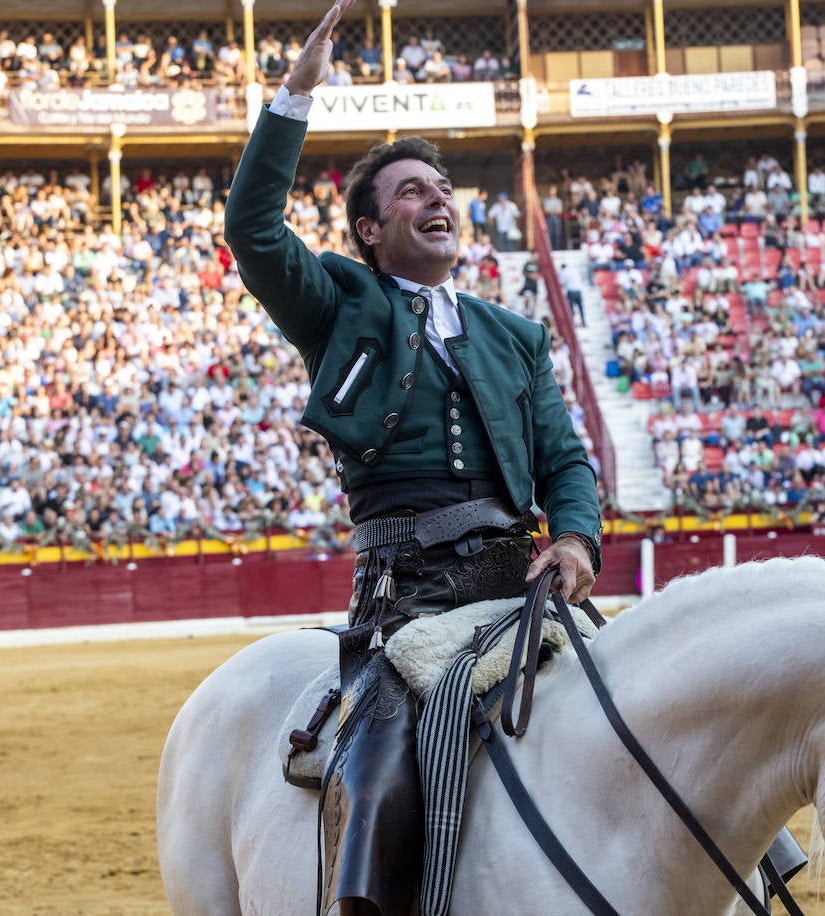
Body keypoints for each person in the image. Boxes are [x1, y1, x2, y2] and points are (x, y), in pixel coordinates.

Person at [222, 4, 602, 913]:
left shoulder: (514, 335)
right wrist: (294, 97)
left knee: (660, 709)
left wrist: (578, 541)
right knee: (386, 758)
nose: (435, 196)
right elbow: (252, 232)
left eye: (441, 185)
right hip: (410, 592)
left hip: (523, 583)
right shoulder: (342, 301)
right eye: (408, 191)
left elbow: (567, 462)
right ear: (366, 230)